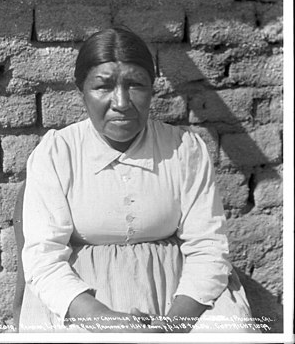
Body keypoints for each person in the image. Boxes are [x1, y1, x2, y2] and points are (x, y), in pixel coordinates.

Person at [18, 26, 257, 334]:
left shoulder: (184, 149)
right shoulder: (56, 153)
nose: (120, 102)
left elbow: (208, 246)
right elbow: (43, 257)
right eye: (103, 87)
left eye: (135, 85)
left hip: (180, 290)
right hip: (81, 296)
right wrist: (103, 319)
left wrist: (173, 325)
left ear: (153, 89)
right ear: (82, 94)